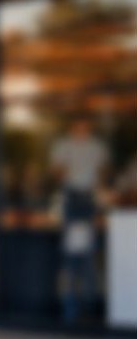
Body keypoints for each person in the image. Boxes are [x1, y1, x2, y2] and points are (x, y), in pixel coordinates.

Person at [49, 117, 110, 323]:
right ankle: (70, 306)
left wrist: (98, 192)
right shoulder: (64, 146)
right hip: (72, 198)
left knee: (88, 255)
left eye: (85, 124)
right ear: (73, 126)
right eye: (79, 124)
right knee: (70, 255)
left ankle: (87, 305)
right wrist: (65, 173)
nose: (82, 127)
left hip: (88, 199)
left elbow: (102, 172)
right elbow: (56, 170)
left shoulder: (97, 147)